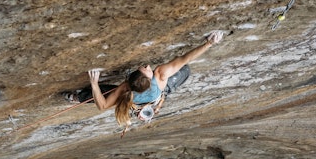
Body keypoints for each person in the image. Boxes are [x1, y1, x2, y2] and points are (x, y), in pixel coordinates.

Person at [64, 30, 224, 127]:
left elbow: (103, 105)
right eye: (147, 69)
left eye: (145, 68)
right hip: (158, 94)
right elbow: (182, 60)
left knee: (103, 94)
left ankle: (80, 96)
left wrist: (94, 84)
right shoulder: (159, 76)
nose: (147, 66)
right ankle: (80, 96)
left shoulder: (128, 88)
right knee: (184, 70)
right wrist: (209, 43)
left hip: (149, 97)